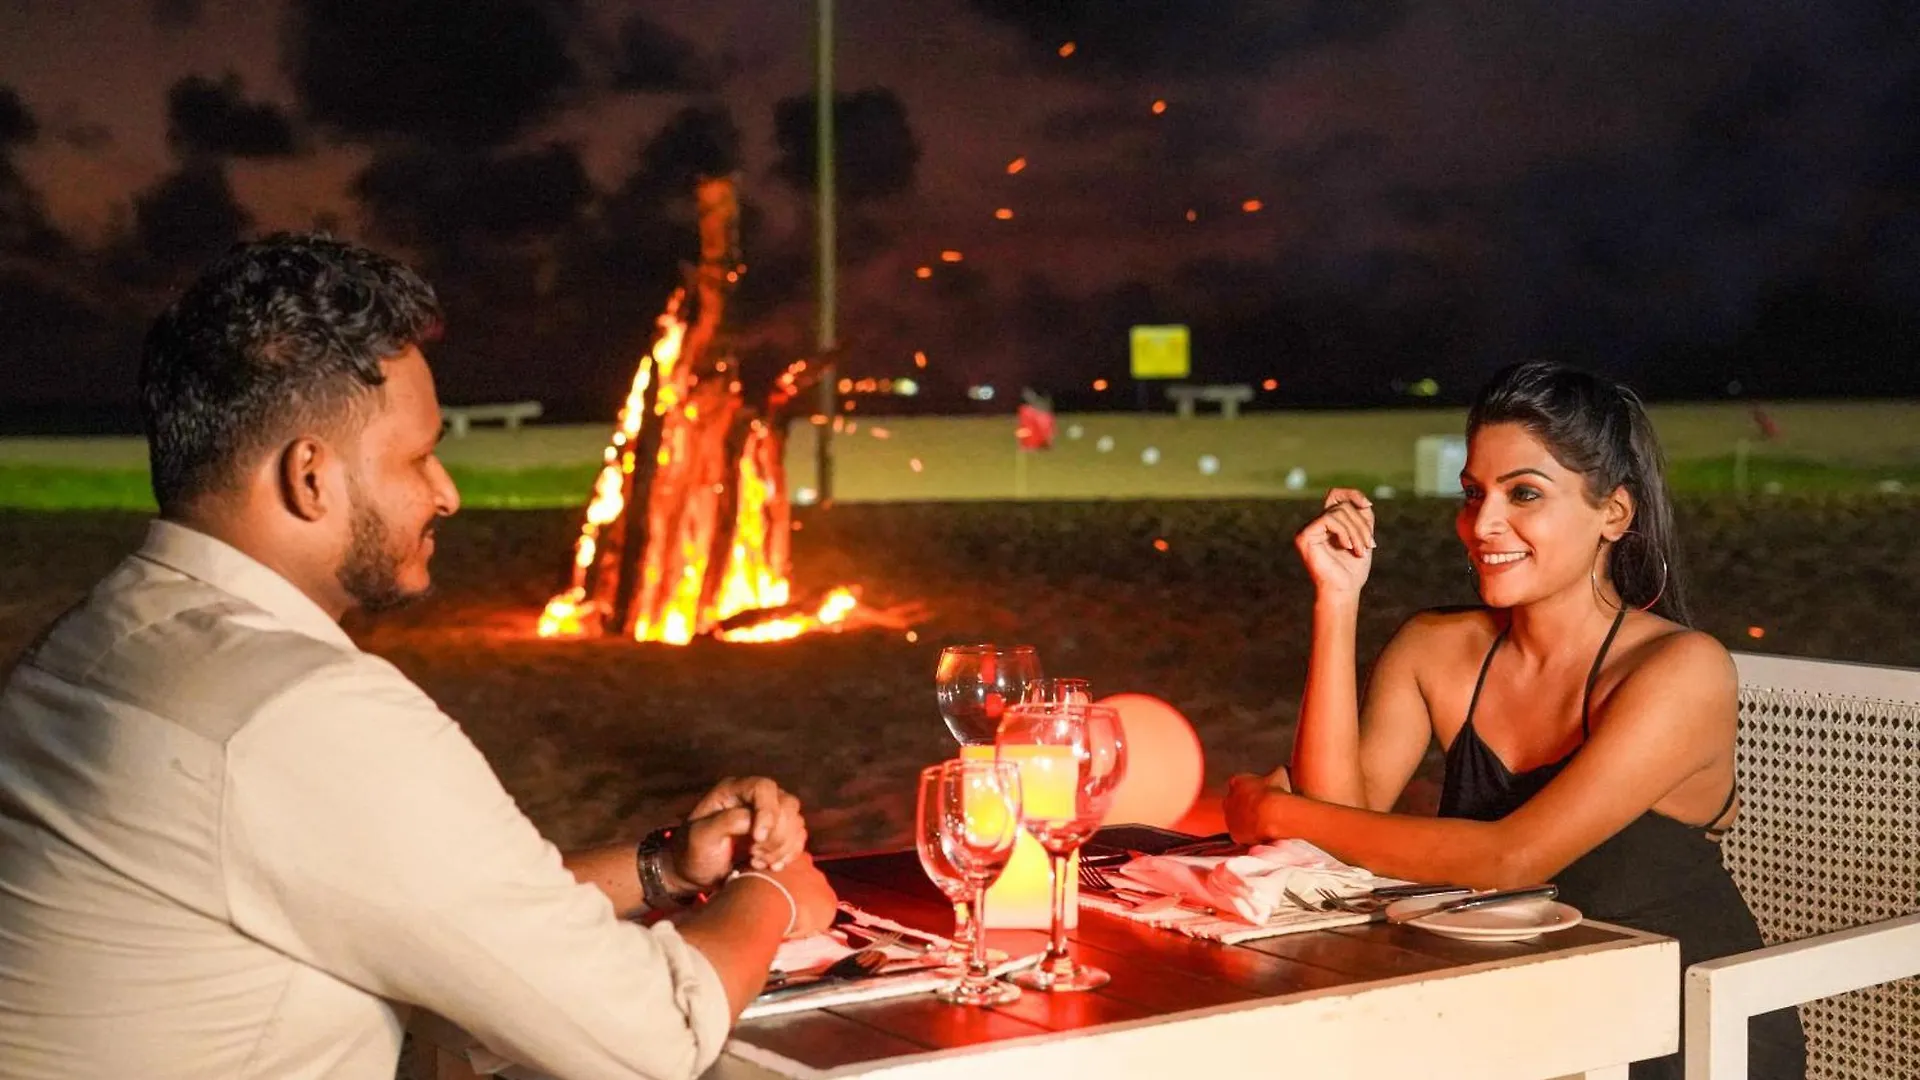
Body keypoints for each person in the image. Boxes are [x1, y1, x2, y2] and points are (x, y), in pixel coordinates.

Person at [0, 233, 837, 1080]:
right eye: (418, 457)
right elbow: (650, 1037)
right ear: (311, 478)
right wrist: (771, 895)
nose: (447, 493)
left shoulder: (89, 642)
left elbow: (443, 904)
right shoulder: (301, 711)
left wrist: (664, 867)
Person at [1224, 361, 1805, 1079]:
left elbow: (1513, 859)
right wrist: (1337, 602)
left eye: (1523, 493)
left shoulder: (1682, 670)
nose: (1482, 524)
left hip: (1682, 1034)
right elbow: (1344, 818)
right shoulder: (1435, 649)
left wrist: (1280, 816)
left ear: (1613, 515)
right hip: (1522, 1020)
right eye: (1473, 494)